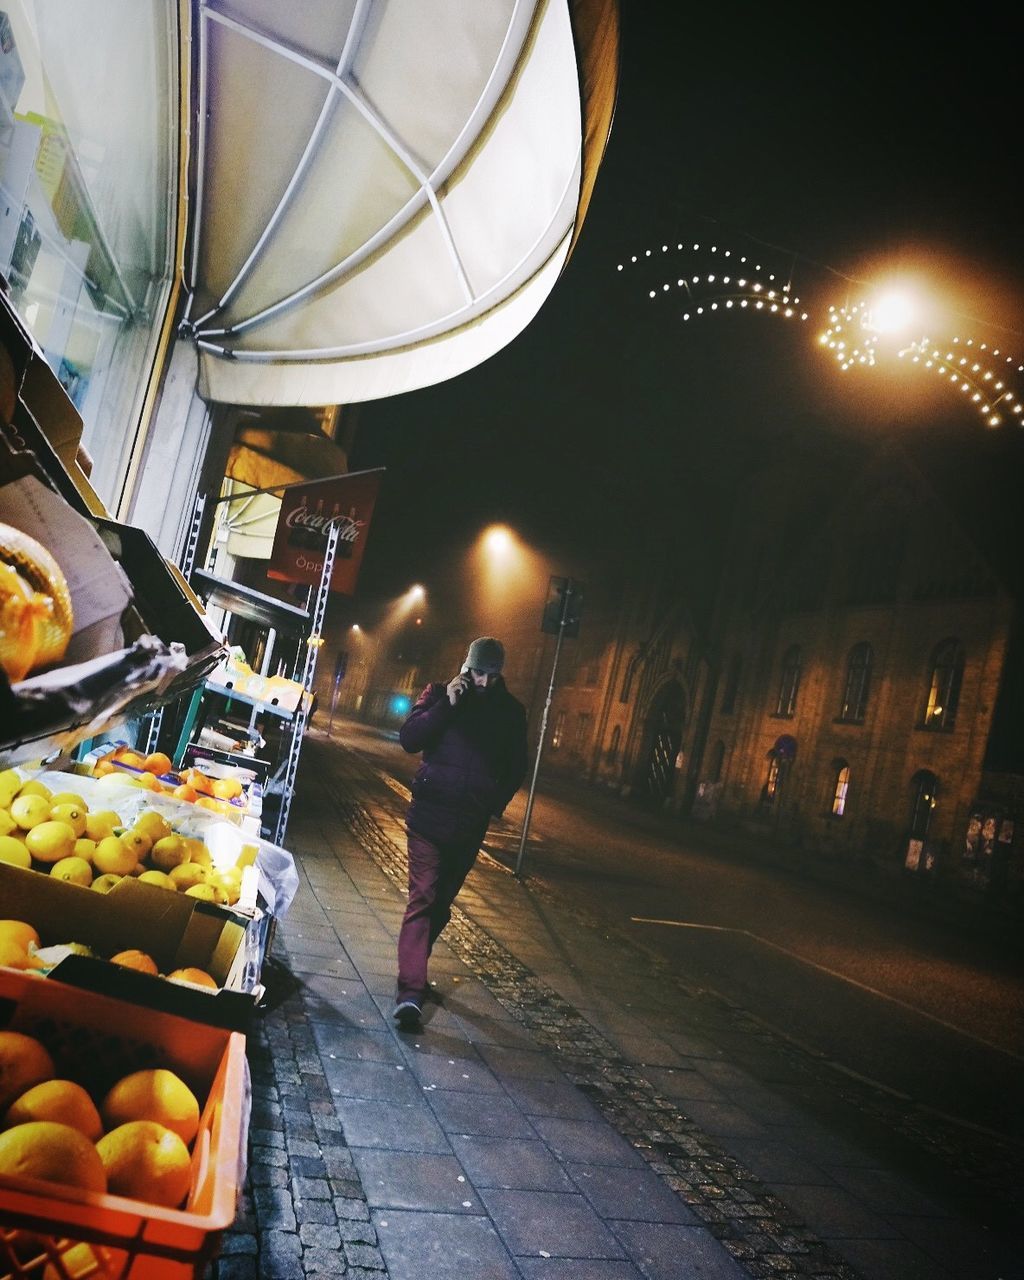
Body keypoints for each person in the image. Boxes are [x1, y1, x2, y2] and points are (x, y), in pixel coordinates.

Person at [392, 636, 528, 1028]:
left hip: (469, 826)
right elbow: (409, 739)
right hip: (428, 821)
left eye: (491, 674)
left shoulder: (510, 712)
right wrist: (446, 706)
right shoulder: (438, 693)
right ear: (465, 666)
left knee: (441, 905)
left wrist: (492, 805)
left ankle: (413, 963)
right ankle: (410, 991)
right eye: (477, 672)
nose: (483, 681)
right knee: (422, 897)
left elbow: (517, 767)